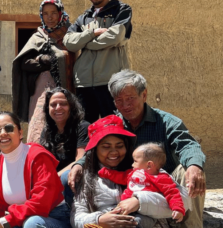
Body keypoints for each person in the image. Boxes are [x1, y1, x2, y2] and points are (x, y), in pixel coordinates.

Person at [69, 69, 204, 227]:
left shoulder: (167, 122)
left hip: (164, 182)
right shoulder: (114, 124)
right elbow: (97, 149)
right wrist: (79, 164)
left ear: (144, 95)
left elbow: (188, 144)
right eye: (119, 100)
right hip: (134, 184)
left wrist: (194, 165)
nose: (125, 105)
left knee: (188, 171)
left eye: (131, 98)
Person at [0, 112, 70, 228]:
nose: (3, 133)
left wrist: (5, 221)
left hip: (50, 217)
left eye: (9, 128)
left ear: (20, 132)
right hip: (15, 219)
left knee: (31, 224)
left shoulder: (37, 157)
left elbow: (41, 202)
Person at [63, 0, 133, 123]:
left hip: (111, 82)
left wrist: (85, 43)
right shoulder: (83, 18)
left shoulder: (121, 10)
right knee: (86, 130)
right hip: (84, 83)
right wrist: (92, 34)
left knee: (116, 127)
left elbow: (115, 36)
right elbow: (69, 43)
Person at [72, 115, 160, 228]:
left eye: (119, 146)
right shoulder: (86, 178)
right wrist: (99, 219)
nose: (114, 152)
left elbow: (171, 202)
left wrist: (139, 203)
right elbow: (76, 218)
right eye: (106, 147)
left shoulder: (145, 170)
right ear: (95, 150)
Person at [12, 0, 74, 129]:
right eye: (45, 13)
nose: (49, 17)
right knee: (41, 124)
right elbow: (24, 63)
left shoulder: (72, 33)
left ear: (60, 13)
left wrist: (56, 59)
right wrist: (43, 60)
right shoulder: (38, 36)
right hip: (41, 90)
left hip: (69, 90)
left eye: (53, 13)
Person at [98, 143, 185, 223]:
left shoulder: (161, 178)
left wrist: (177, 208)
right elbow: (121, 177)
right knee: (112, 218)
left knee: (136, 222)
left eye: (135, 161)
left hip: (145, 212)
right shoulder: (134, 172)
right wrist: (106, 172)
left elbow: (172, 193)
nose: (132, 164)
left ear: (149, 165)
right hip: (124, 206)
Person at [39, 87, 89, 175]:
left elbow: (80, 161)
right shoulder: (47, 131)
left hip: (74, 178)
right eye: (53, 105)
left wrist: (55, 178)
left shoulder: (82, 127)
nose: (58, 108)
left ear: (71, 106)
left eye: (63, 103)